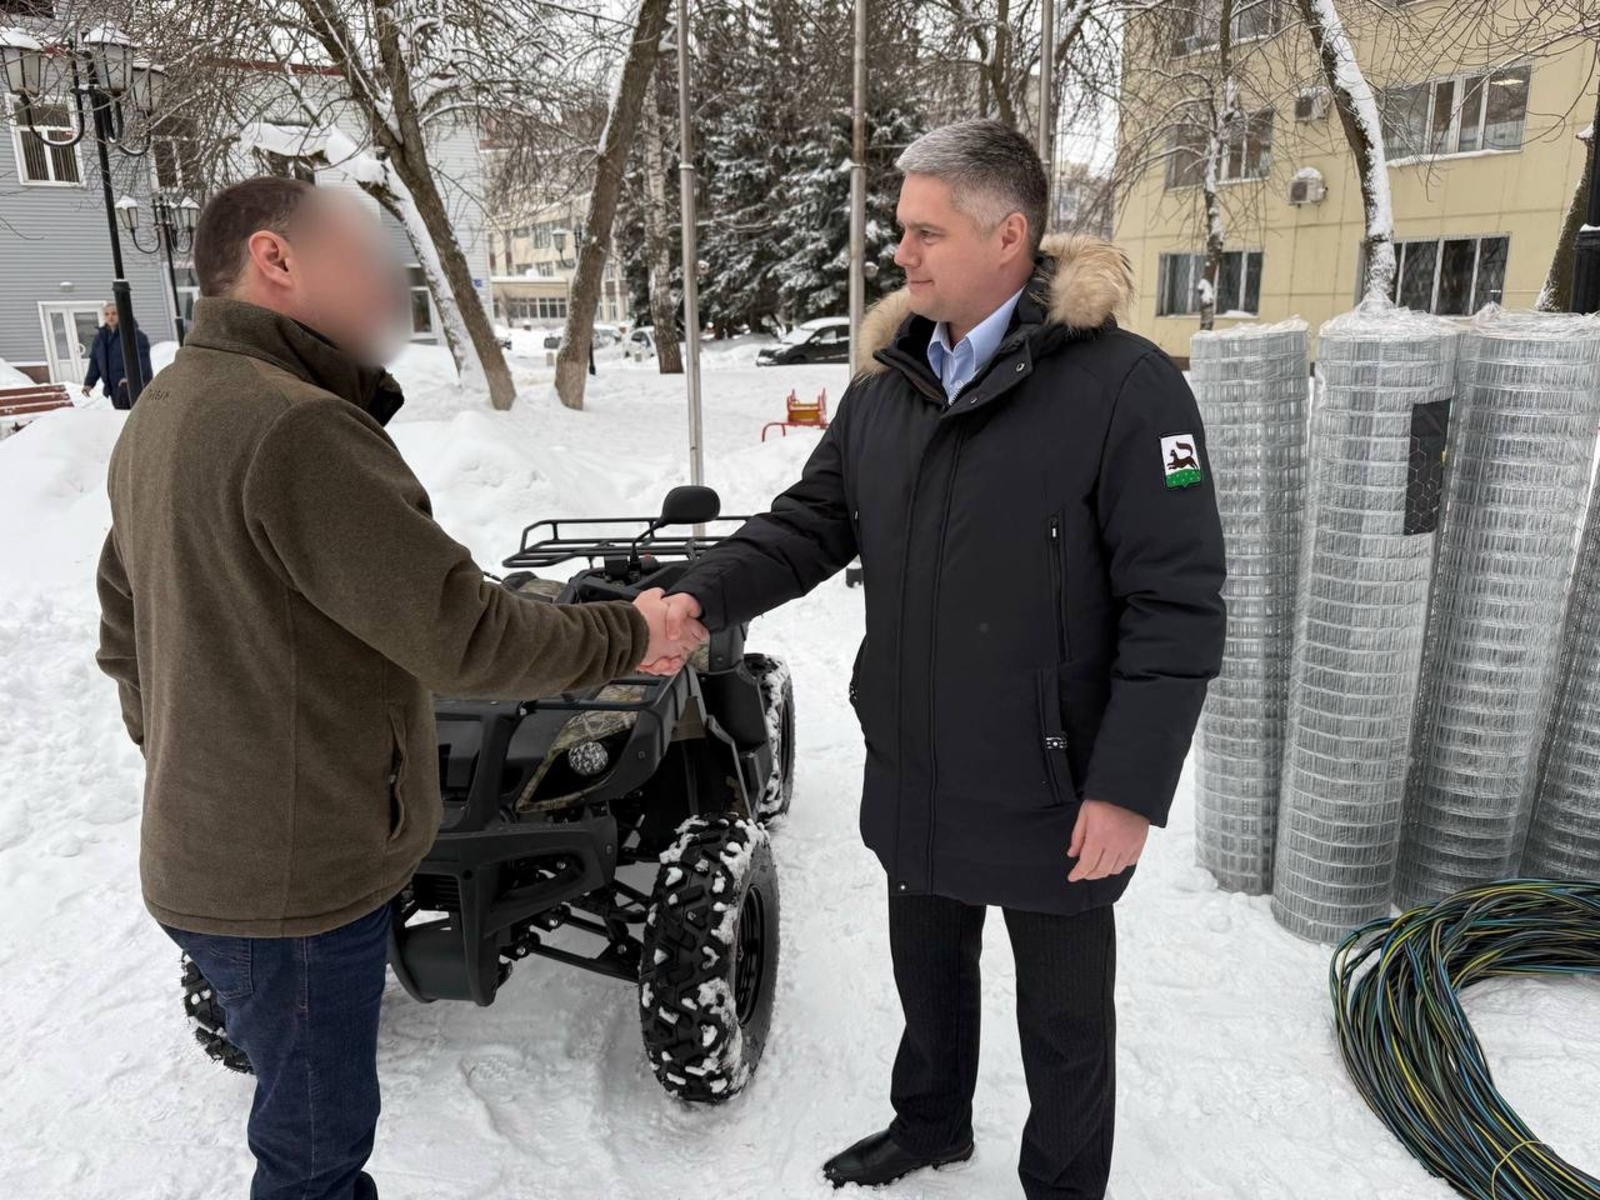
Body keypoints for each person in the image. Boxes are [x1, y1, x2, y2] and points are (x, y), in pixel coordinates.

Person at [94, 176, 704, 1200]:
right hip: (293, 885)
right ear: (274, 260)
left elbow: (125, 634)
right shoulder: (293, 428)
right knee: (317, 1159)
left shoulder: (173, 406)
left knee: (306, 1124)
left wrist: (204, 767)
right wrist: (630, 630)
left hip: (215, 863)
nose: (390, 279)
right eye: (364, 255)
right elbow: (464, 636)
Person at [649, 120, 1226, 1199]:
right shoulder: (887, 382)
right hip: (915, 755)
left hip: (1054, 785)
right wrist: (694, 597)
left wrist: (1128, 787)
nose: (899, 257)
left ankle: (1061, 1185)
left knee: (1062, 1023)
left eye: (924, 232)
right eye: (899, 233)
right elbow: (811, 522)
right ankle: (929, 1124)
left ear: (1008, 235)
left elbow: (1177, 604)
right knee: (928, 973)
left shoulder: (1124, 389)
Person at [82, 301, 154, 410]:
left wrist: (130, 378)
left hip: (133, 387)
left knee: (137, 419)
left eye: (114, 313)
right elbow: (95, 362)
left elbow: (143, 362)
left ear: (122, 314)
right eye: (107, 314)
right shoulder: (100, 338)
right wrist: (89, 383)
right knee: (122, 419)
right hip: (113, 389)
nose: (110, 317)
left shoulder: (134, 335)